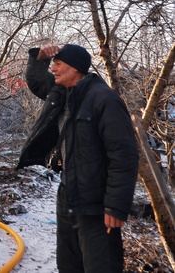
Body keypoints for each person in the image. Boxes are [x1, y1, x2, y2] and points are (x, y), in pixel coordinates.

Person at [17, 44, 139, 273]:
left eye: (58, 64)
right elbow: (37, 82)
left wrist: (116, 206)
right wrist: (39, 58)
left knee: (101, 267)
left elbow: (124, 155)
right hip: (67, 195)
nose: (53, 69)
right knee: (68, 265)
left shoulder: (104, 99)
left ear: (75, 68)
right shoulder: (63, 94)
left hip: (96, 204)